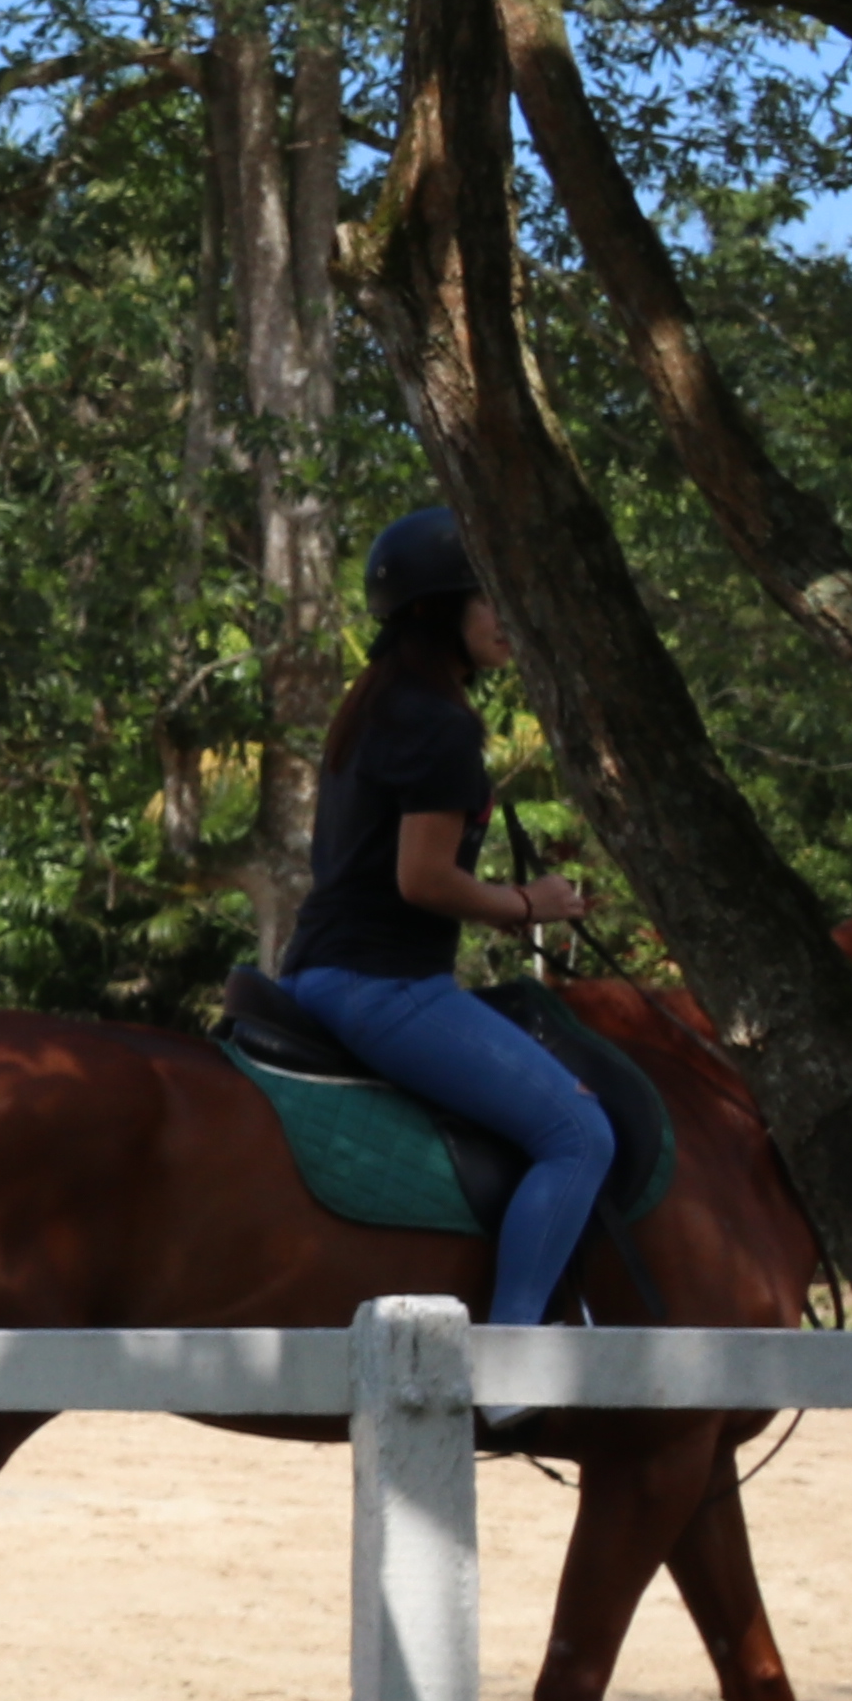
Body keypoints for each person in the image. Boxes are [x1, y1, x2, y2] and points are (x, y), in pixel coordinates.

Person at [272, 504, 610, 1422]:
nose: (507, 613)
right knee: (581, 1136)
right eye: (487, 595)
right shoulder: (439, 725)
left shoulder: (377, 705)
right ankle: (505, 1369)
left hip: (321, 970)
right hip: (386, 987)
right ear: (435, 611)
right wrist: (524, 905)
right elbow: (422, 881)